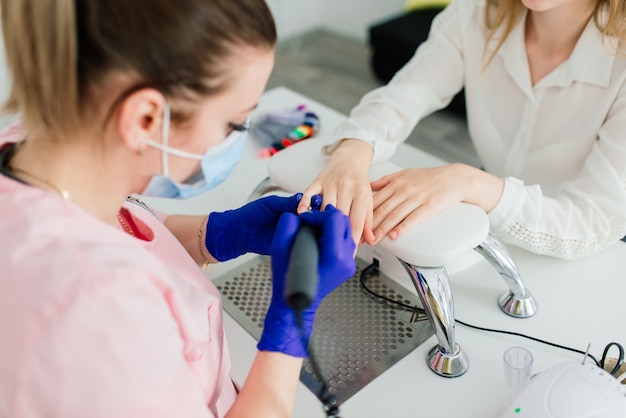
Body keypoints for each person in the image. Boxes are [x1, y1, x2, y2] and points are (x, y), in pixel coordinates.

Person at [0, 1, 356, 417]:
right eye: (235, 124)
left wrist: (217, 233)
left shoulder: (36, 147)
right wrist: (291, 325)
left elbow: (112, 225)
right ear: (147, 118)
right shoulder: (101, 308)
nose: (235, 140)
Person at [298, 0, 626, 259]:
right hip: (488, 224)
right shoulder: (475, 14)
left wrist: (468, 181)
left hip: (587, 255)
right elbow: (403, 96)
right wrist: (353, 149)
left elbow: (591, 223)